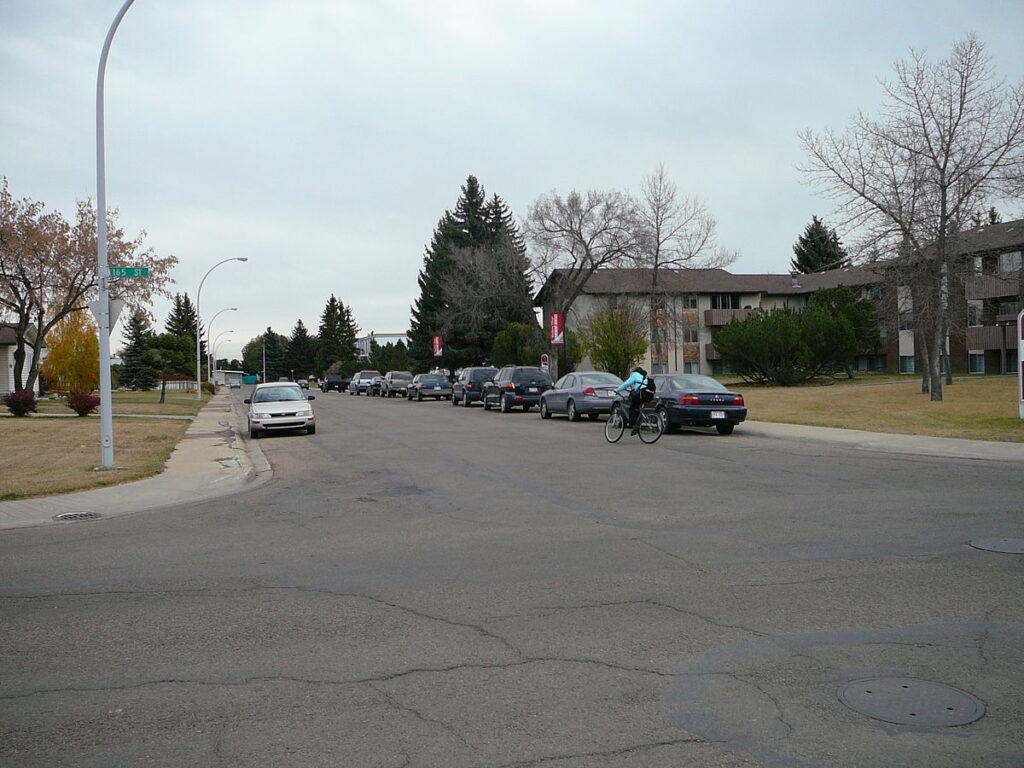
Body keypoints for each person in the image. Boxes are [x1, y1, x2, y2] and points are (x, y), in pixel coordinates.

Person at [614, 366, 652, 435]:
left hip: (640, 394)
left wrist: (617, 390)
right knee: (637, 408)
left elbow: (626, 384)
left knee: (632, 408)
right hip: (647, 395)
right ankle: (637, 424)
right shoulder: (645, 376)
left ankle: (634, 425)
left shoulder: (635, 375)